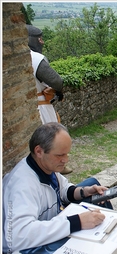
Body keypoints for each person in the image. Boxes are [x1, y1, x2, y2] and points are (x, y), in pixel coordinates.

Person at [2, 122, 113, 254]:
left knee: (94, 186)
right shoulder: (23, 185)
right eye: (60, 155)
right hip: (23, 249)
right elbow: (18, 236)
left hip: (53, 218)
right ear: (39, 151)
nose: (65, 160)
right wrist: (77, 222)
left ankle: (111, 239)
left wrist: (86, 191)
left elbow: (64, 189)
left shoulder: (46, 166)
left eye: (67, 154)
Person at [26, 24, 73, 175]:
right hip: (41, 108)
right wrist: (58, 90)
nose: (42, 42)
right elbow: (56, 81)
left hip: (26, 108)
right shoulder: (34, 58)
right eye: (39, 39)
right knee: (52, 139)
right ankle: (55, 169)